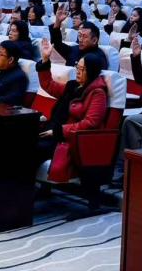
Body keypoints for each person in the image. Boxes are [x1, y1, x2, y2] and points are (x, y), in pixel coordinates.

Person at [37, 48, 109, 207]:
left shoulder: (97, 93)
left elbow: (90, 123)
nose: (78, 71)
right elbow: (49, 85)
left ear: (92, 71)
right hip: (54, 131)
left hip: (70, 140)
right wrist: (45, 60)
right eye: (77, 67)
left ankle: (19, 195)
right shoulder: (73, 86)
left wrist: (58, 131)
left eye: (82, 69)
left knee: (33, 149)